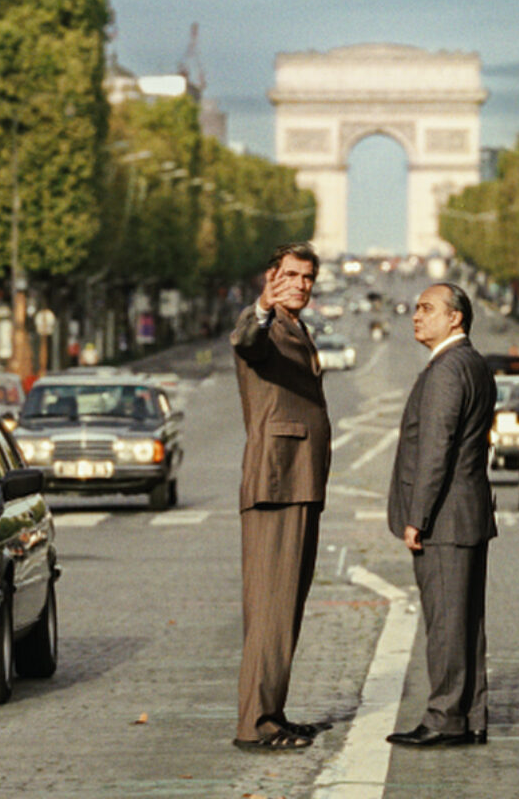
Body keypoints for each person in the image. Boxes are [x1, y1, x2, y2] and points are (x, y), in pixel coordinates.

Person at [229, 241, 334, 752]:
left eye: (307, 277)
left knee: (284, 606)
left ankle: (272, 711)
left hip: (298, 479)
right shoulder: (265, 325)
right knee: (271, 607)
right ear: (270, 278)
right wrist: (262, 308)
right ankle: (256, 724)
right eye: (290, 275)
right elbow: (246, 340)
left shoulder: (297, 326)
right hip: (278, 480)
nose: (301, 284)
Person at [386, 282, 497, 748]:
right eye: (416, 308)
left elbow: (436, 450)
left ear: (455, 318)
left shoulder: (447, 369)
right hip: (467, 513)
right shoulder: (473, 362)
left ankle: (444, 718)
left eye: (427, 308)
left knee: (447, 624)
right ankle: (470, 715)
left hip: (446, 519)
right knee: (466, 623)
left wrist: (418, 517)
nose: (416, 316)